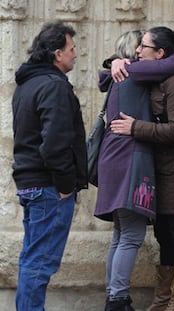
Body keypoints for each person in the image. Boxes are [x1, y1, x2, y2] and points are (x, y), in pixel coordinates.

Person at [94, 30, 174, 311]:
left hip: (114, 158)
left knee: (121, 233)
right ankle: (118, 299)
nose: (140, 53)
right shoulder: (134, 75)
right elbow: (173, 64)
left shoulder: (119, 77)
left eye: (144, 48)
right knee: (131, 235)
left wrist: (114, 62)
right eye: (138, 48)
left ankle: (114, 296)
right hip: (129, 159)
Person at [11, 22, 87, 311]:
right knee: (40, 262)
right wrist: (66, 185)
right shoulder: (53, 86)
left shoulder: (29, 84)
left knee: (32, 259)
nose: (75, 54)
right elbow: (54, 144)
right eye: (72, 48)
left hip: (33, 184)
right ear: (58, 53)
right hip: (48, 187)